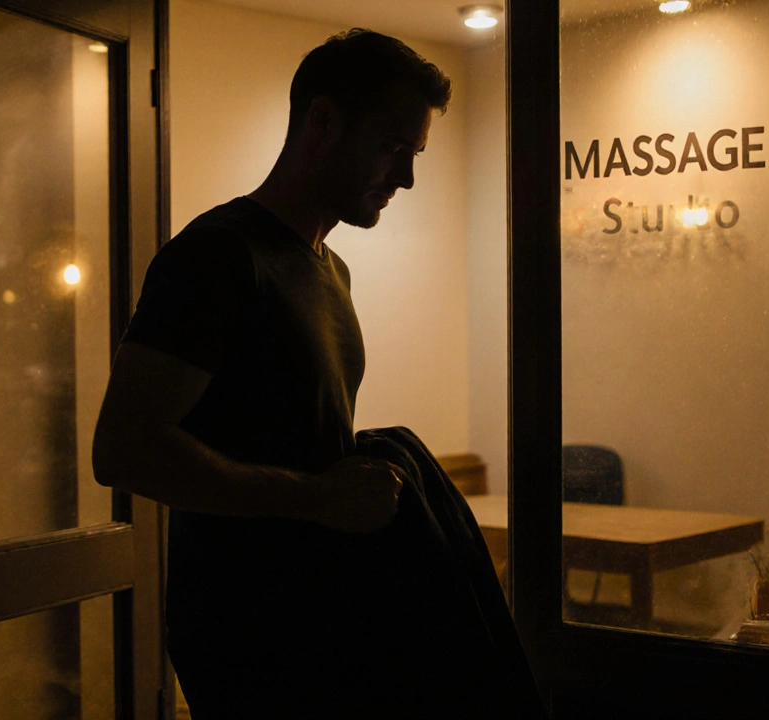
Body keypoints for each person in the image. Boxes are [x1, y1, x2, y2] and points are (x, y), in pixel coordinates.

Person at [93, 28, 484, 717]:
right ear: (324, 122)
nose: (406, 178)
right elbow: (125, 450)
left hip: (323, 620)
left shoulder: (333, 269)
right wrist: (317, 498)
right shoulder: (217, 256)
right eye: (393, 148)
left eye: (414, 154)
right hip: (249, 636)